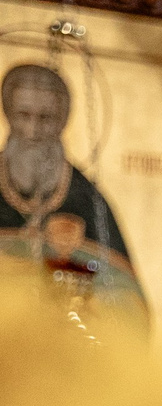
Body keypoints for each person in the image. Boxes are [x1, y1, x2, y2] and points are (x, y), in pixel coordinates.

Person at [0, 62, 144, 312]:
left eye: (45, 118)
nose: (33, 131)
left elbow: (128, 301)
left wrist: (75, 258)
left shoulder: (86, 198)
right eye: (24, 115)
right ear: (9, 114)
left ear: (61, 121)